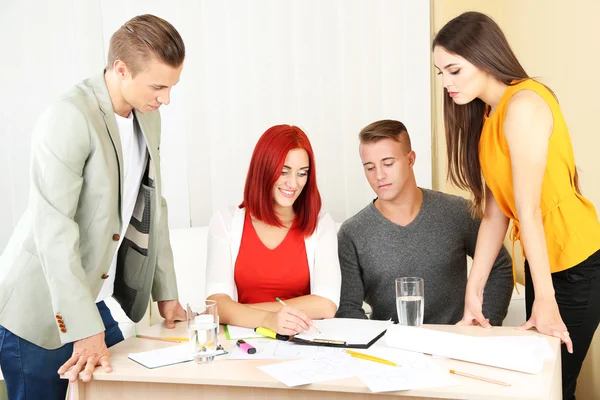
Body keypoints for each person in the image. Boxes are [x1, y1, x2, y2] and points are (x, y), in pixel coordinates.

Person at [0, 14, 188, 400]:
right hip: (39, 309)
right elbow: (53, 230)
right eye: (158, 86)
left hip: (93, 299)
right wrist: (84, 328)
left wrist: (165, 292)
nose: (166, 98)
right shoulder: (69, 117)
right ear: (121, 69)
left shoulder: (148, 118)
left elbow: (155, 204)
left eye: (172, 87)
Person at [433, 11, 600, 400]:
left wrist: (545, 299)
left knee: (554, 386)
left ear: (484, 57)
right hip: (546, 263)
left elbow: (526, 210)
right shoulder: (490, 115)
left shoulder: (523, 104)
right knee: (541, 386)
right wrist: (472, 292)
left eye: (454, 70)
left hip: (577, 262)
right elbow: (495, 213)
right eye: (441, 73)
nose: (446, 84)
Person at [335, 119, 513, 324]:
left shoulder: (457, 212)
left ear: (410, 159)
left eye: (388, 163)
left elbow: (499, 266)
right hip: (391, 348)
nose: (379, 176)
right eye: (369, 167)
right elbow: (348, 308)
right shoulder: (352, 233)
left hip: (456, 343)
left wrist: (482, 322)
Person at [206, 125, 341, 336]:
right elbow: (216, 303)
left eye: (302, 173)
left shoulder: (321, 224)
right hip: (244, 342)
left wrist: (239, 312)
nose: (293, 183)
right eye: (283, 171)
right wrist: (268, 320)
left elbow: (326, 305)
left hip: (302, 340)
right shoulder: (226, 220)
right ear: (263, 169)